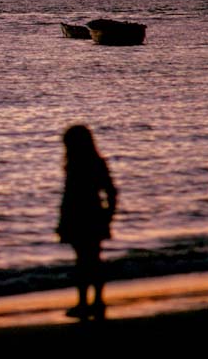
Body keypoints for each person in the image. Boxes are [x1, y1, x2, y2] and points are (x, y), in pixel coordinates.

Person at [57, 125, 118, 320]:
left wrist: (63, 220)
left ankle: (85, 303)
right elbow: (111, 191)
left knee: (83, 262)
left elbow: (69, 197)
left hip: (79, 216)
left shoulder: (76, 165)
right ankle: (96, 302)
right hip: (92, 215)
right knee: (93, 260)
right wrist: (108, 215)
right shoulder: (96, 162)